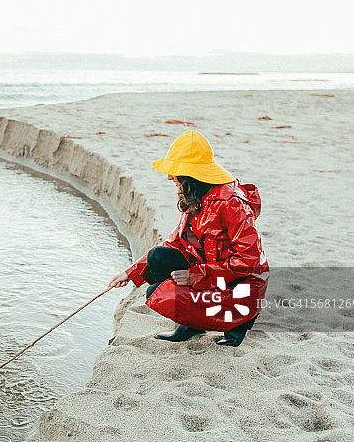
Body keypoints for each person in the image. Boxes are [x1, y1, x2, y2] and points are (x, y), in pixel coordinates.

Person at [108, 130, 268, 347]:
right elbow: (175, 243)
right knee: (158, 257)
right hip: (215, 278)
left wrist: (196, 275)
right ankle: (193, 323)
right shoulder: (197, 197)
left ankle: (237, 324)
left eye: (175, 171)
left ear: (191, 176)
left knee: (158, 293)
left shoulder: (231, 203)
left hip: (239, 286)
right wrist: (130, 273)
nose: (169, 177)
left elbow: (249, 262)